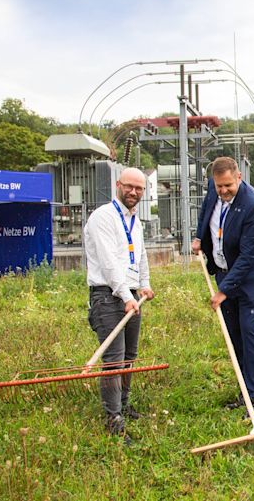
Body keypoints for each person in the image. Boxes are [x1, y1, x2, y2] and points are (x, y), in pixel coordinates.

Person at [192, 157, 254, 415]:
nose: (223, 191)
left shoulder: (253, 206)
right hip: (224, 270)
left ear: (239, 177)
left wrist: (223, 291)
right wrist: (198, 237)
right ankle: (244, 390)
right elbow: (207, 209)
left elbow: (249, 257)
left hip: (252, 276)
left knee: (250, 330)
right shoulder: (213, 188)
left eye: (228, 185)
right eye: (219, 186)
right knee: (233, 332)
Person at [84, 167, 155, 443]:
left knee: (130, 356)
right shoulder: (103, 217)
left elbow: (141, 256)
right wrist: (125, 296)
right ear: (118, 185)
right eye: (129, 187)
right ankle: (113, 416)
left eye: (139, 188)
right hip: (107, 296)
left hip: (131, 296)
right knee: (114, 358)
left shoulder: (135, 221)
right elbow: (108, 262)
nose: (134, 192)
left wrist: (144, 284)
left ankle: (124, 404)